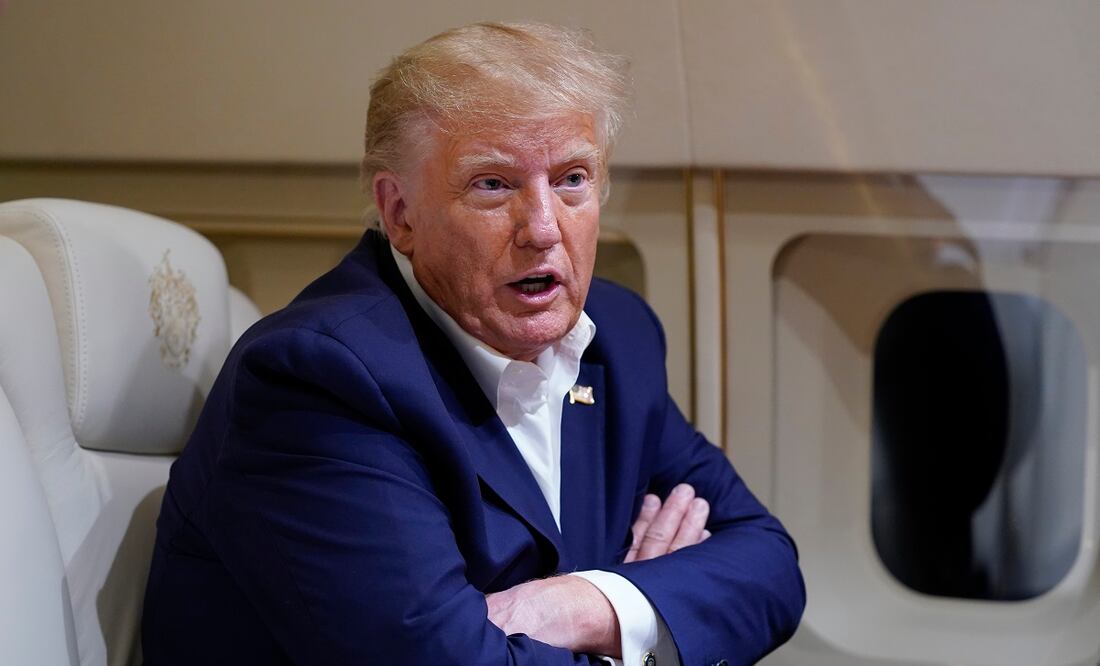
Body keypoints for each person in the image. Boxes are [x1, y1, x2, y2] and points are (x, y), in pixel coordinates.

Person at [141, 21, 805, 666]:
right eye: (494, 184)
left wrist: (587, 605)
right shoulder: (319, 380)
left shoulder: (619, 337)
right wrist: (647, 623)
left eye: (572, 178)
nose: (544, 228)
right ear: (400, 212)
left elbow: (767, 563)